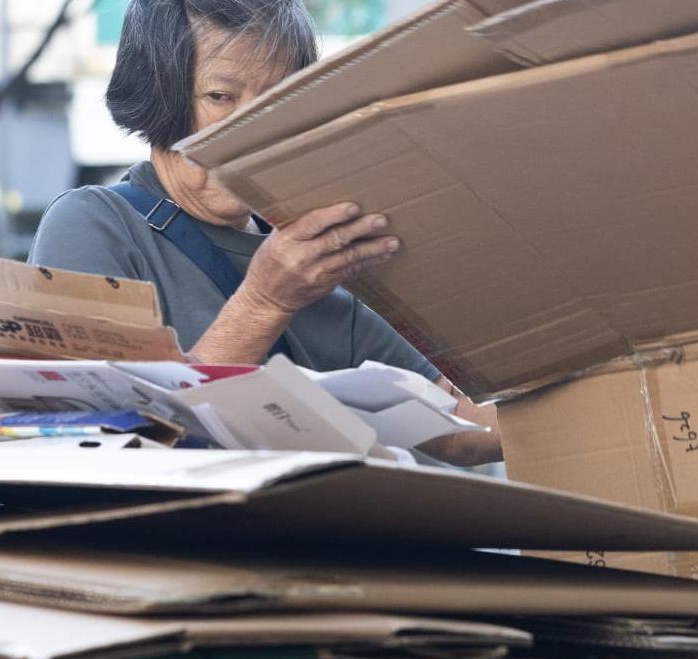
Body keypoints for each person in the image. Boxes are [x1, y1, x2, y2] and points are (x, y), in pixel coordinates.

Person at [27, 0, 500, 466]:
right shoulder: (94, 225)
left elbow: (458, 431)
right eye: (221, 97)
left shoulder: (316, 258)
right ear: (159, 96)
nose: (249, 131)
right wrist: (265, 302)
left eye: (275, 100)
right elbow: (102, 439)